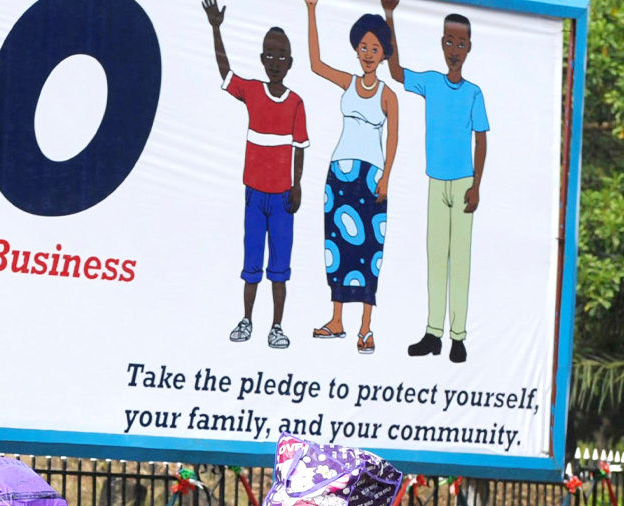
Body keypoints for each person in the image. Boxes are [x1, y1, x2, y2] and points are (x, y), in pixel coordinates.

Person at [382, 0, 488, 364]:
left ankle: (458, 336)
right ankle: (433, 333)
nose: (454, 50)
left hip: (462, 185)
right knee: (435, 260)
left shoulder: (473, 92)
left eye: (461, 44)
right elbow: (395, 71)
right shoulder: (431, 82)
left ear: (469, 48)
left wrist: (476, 185)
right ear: (441, 44)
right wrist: (390, 15)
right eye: (449, 42)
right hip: (435, 183)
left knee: (459, 261)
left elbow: (482, 138)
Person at [203, 0, 310, 350]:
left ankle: (276, 326)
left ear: (290, 63)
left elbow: (299, 147)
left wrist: (297, 186)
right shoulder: (251, 91)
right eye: (270, 55)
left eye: (282, 57)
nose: (276, 62)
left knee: (280, 266)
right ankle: (247, 319)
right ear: (262, 59)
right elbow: (226, 73)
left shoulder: (296, 103)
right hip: (254, 195)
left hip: (282, 198)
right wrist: (216, 27)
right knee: (252, 262)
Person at [304, 0, 399, 355]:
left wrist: (386, 179)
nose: (369, 54)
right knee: (338, 247)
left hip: (370, 175)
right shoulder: (349, 82)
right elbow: (315, 65)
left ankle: (365, 328)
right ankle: (337, 319)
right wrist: (311, 10)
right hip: (340, 172)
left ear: (384, 53)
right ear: (356, 49)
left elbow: (394, 140)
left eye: (375, 48)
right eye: (364, 47)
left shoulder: (388, 96)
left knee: (370, 249)